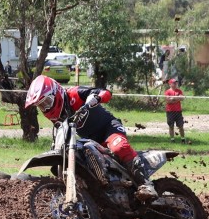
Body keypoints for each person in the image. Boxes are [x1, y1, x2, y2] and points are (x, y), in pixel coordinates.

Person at [25, 75, 158, 201]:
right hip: (91, 141)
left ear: (56, 92)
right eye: (41, 106)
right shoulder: (58, 116)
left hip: (109, 128)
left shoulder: (75, 93)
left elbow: (106, 92)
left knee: (119, 147)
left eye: (47, 102)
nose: (46, 108)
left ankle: (146, 184)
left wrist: (96, 98)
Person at [165, 78, 186, 143]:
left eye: (176, 83)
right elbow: (168, 101)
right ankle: (172, 140)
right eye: (173, 83)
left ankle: (183, 139)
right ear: (170, 84)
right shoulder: (167, 91)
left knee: (181, 126)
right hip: (170, 111)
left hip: (178, 111)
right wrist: (177, 98)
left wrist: (173, 98)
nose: (175, 84)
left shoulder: (179, 91)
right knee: (171, 126)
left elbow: (182, 98)